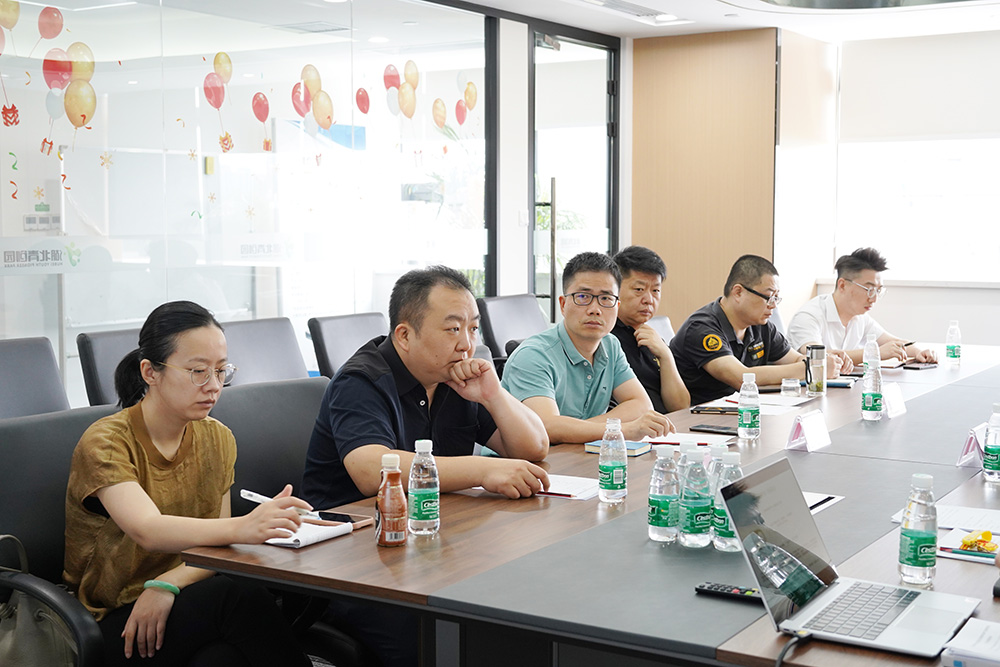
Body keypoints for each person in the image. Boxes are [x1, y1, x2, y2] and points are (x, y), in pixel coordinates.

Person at [64, 301, 313, 667]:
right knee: (239, 597)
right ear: (150, 372)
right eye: (198, 371)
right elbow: (148, 530)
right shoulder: (106, 442)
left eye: (221, 371)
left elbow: (216, 545)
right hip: (108, 620)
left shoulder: (217, 437)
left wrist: (168, 584)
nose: (214, 386)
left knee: (223, 659)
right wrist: (246, 527)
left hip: (179, 598)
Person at [302, 265, 550, 512]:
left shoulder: (457, 375)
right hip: (352, 525)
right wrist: (482, 470)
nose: (466, 344)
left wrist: (494, 396)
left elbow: (534, 447)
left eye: (473, 329)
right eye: (453, 329)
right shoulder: (360, 380)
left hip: (434, 517)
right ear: (405, 336)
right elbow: (370, 471)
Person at [501, 251, 675, 444]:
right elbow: (546, 427)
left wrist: (576, 430)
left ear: (617, 306)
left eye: (606, 298)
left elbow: (641, 405)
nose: (595, 309)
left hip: (581, 453)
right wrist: (621, 430)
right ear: (563, 304)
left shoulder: (610, 344)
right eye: (583, 296)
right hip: (524, 461)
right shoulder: (533, 355)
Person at [670, 254, 843, 405]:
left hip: (746, 411)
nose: (773, 306)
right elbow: (741, 378)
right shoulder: (702, 328)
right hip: (701, 418)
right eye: (768, 297)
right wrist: (812, 368)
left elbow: (796, 359)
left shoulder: (761, 326)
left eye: (776, 298)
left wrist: (822, 363)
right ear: (738, 292)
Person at [787, 247, 937, 367]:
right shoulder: (809, 316)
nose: (874, 298)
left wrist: (918, 351)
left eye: (878, 290)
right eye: (869, 289)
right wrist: (875, 353)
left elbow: (891, 342)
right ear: (842, 285)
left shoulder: (860, 318)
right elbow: (817, 358)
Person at [611, 245, 690, 412]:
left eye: (655, 290)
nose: (649, 299)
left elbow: (681, 407)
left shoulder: (652, 337)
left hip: (667, 424)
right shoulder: (605, 338)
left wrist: (666, 355)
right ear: (614, 289)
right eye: (639, 289)